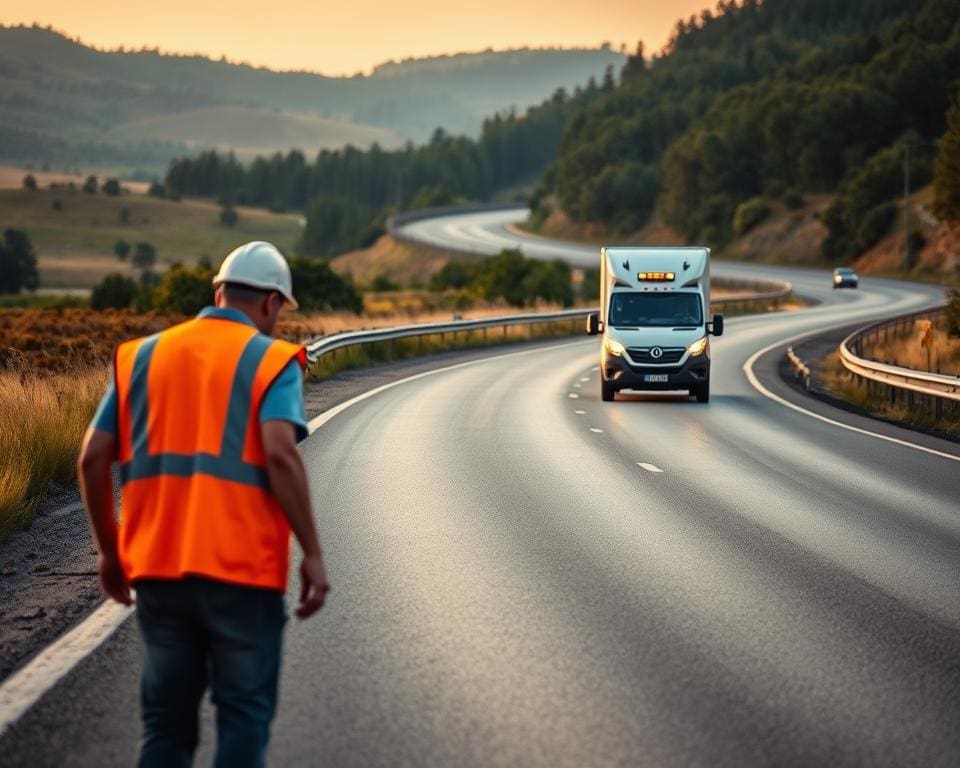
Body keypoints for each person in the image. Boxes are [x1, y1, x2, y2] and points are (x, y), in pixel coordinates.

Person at [77, 241, 330, 768]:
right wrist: (312, 552)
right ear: (272, 304)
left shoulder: (140, 356)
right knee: (242, 717)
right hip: (242, 576)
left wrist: (109, 551)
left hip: (159, 574)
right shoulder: (273, 361)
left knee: (166, 732)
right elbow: (281, 454)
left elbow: (92, 459)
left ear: (218, 291)